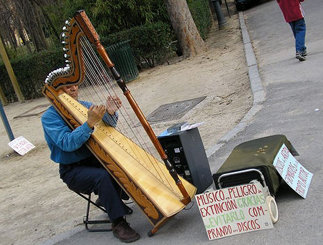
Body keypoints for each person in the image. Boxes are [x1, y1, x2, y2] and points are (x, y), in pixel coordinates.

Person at [41, 84, 140, 243]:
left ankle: (109, 199)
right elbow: (67, 143)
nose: (73, 89)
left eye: (74, 84)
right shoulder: (49, 117)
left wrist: (110, 112)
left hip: (93, 159)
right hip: (72, 170)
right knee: (102, 176)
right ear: (57, 92)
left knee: (117, 162)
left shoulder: (85, 106)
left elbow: (107, 126)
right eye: (67, 87)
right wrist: (88, 124)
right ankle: (118, 222)